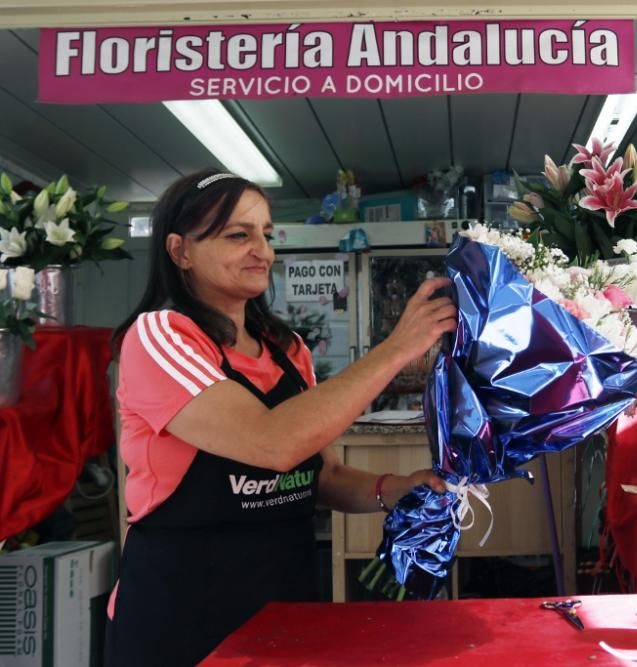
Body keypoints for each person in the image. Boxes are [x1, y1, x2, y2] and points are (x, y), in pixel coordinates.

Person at [105, 169, 455, 666]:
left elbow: (320, 473)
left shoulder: (287, 350)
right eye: (237, 235)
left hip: (284, 604)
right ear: (181, 251)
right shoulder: (161, 335)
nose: (262, 251)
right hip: (181, 614)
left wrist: (395, 489)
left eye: (266, 234)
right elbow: (272, 444)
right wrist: (397, 349)